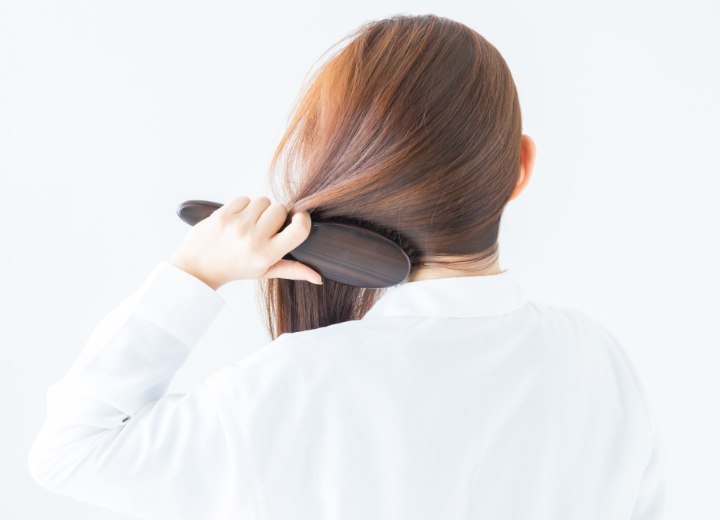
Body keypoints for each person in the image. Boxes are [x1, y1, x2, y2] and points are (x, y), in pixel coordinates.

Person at [27, 13, 665, 520]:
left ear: (349, 184)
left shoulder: (290, 389)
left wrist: (194, 276)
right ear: (521, 170)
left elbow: (72, 451)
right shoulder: (598, 361)